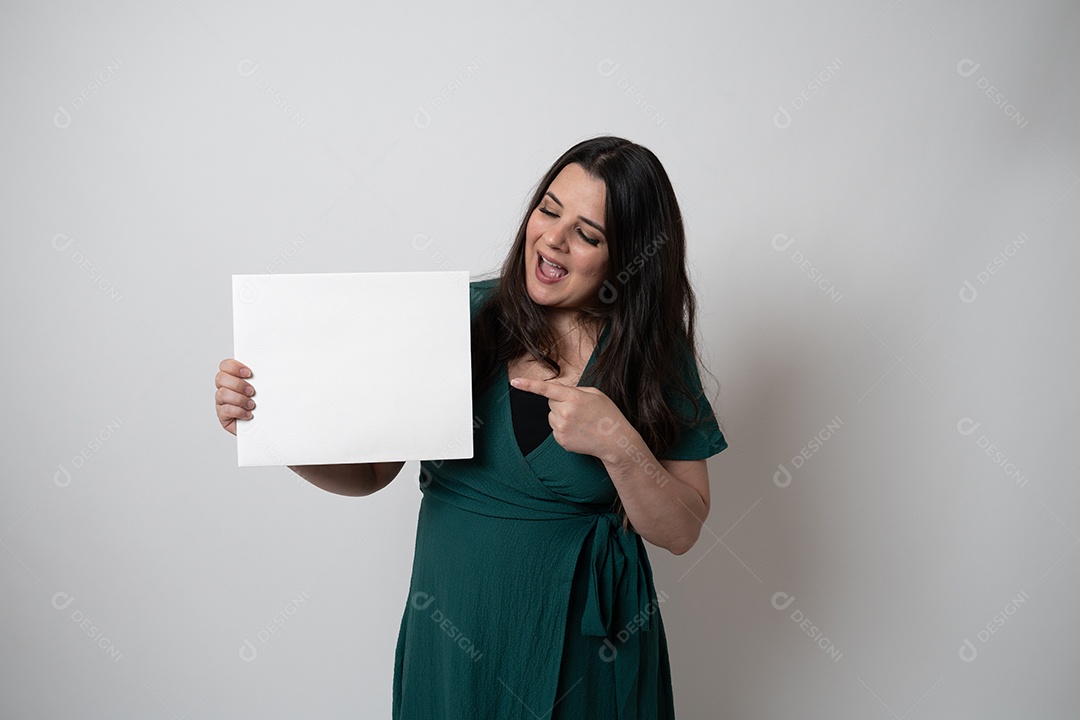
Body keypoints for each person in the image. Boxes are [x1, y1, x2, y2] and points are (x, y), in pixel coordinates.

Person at [214, 135, 728, 719]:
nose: (553, 239)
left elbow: (682, 530)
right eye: (549, 210)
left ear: (629, 257)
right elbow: (372, 473)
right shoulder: (457, 320)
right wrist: (272, 426)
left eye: (587, 234)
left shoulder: (654, 355)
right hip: (455, 635)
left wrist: (617, 443)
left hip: (586, 653)